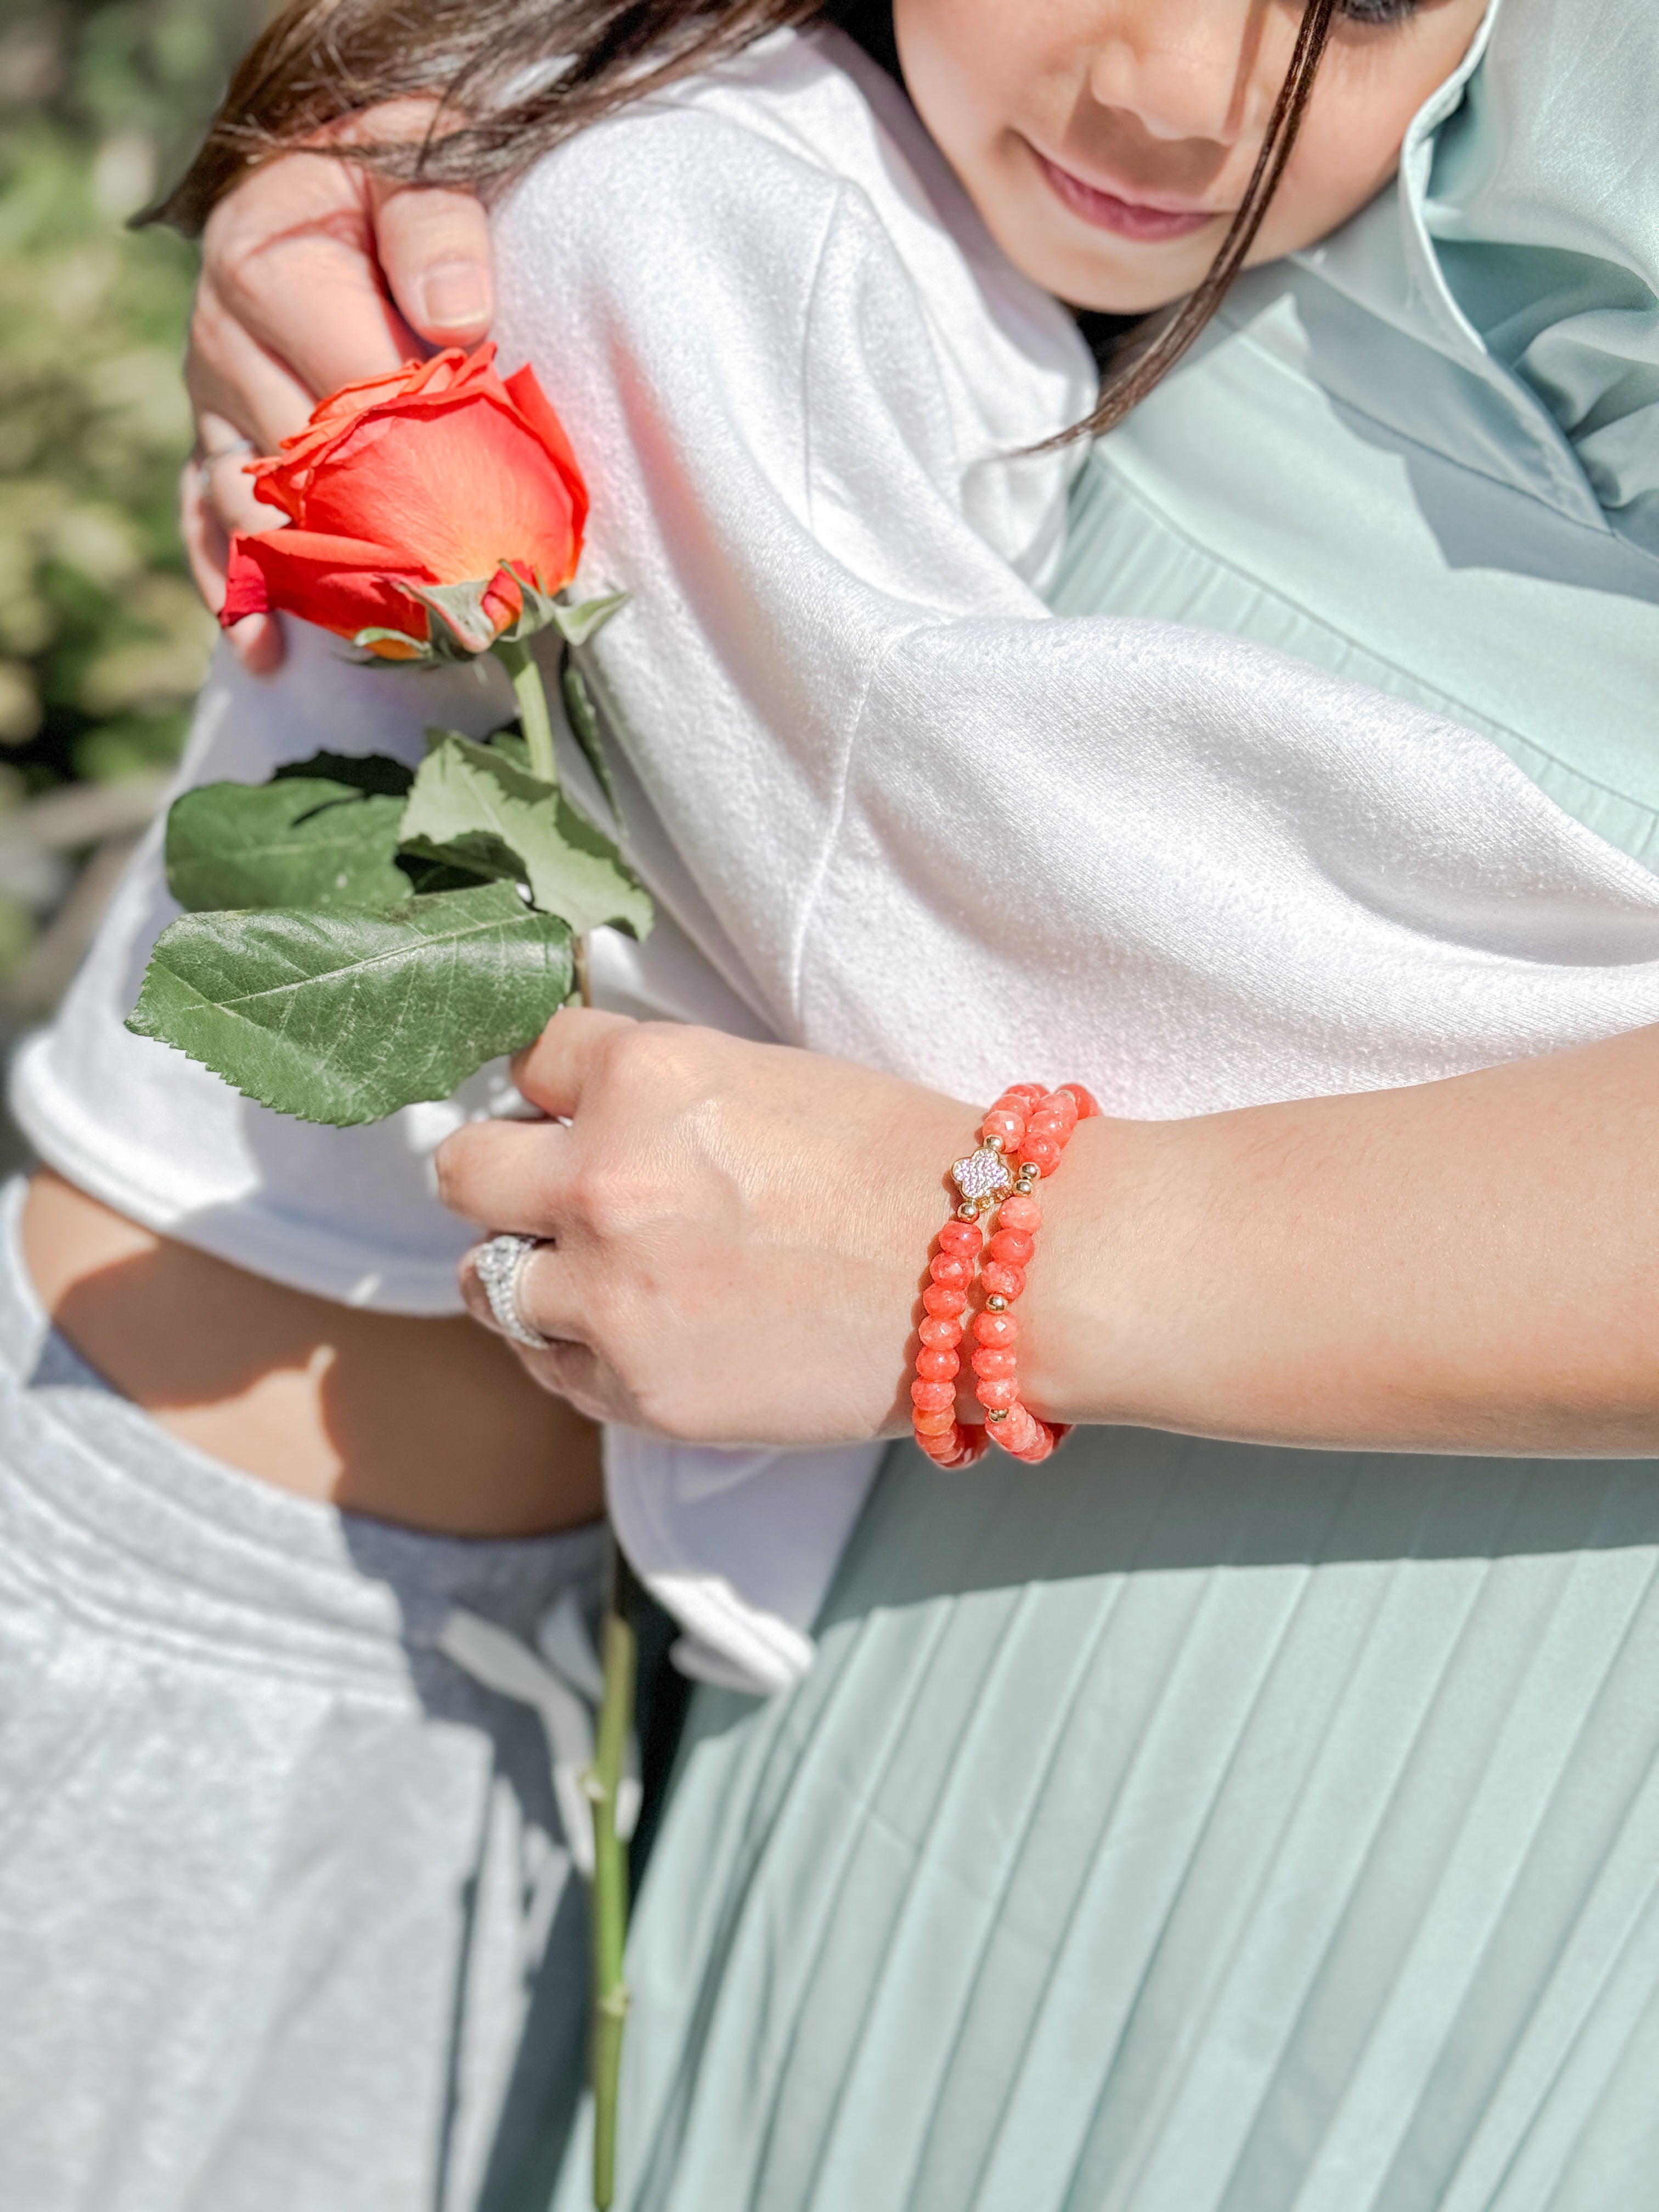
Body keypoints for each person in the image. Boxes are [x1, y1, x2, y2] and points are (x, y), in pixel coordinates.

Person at [14, 2, 1659, 2209]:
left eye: (1359, 1)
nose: (1180, 94)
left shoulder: (810, 178)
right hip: (250, 1611)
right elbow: (1013, 914)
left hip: (414, 1607)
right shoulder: (700, 221)